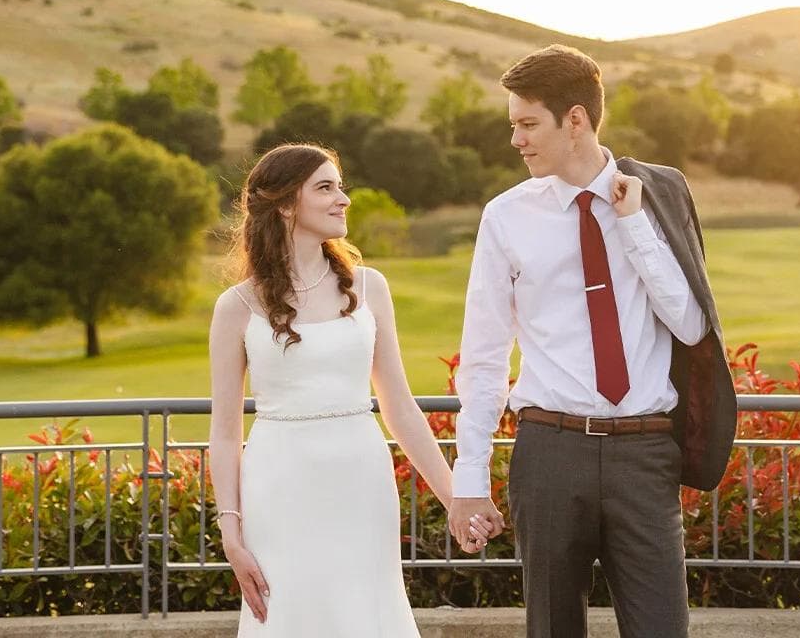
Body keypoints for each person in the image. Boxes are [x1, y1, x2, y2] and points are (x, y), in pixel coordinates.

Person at [447, 45, 737, 638]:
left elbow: (691, 327)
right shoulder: (505, 217)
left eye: (528, 124)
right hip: (549, 453)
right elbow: (482, 358)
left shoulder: (658, 195)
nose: (516, 140)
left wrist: (632, 225)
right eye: (514, 125)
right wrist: (469, 482)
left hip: (645, 454)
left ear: (574, 120)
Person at [208, 143, 490, 636]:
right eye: (325, 187)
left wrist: (455, 497)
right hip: (279, 485)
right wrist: (231, 533)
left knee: (367, 612)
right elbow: (226, 433)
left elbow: (399, 407)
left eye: (340, 186)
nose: (344, 199)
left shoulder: (369, 286)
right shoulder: (235, 307)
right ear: (286, 205)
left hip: (361, 480)